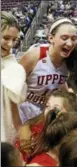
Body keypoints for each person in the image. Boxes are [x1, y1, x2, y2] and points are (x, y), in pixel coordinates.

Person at [19, 17, 77, 123]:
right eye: (64, 38)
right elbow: (11, 87)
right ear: (51, 38)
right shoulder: (35, 55)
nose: (70, 43)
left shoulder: (69, 60)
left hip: (45, 111)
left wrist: (70, 97)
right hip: (22, 109)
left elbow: (60, 81)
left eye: (73, 39)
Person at [15, 90, 77, 162]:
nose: (49, 111)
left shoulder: (75, 139)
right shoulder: (33, 134)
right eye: (48, 106)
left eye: (55, 109)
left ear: (70, 114)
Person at [1, 11, 27, 143]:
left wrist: (21, 132)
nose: (10, 44)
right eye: (6, 38)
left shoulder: (13, 68)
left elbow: (13, 109)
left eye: (14, 40)